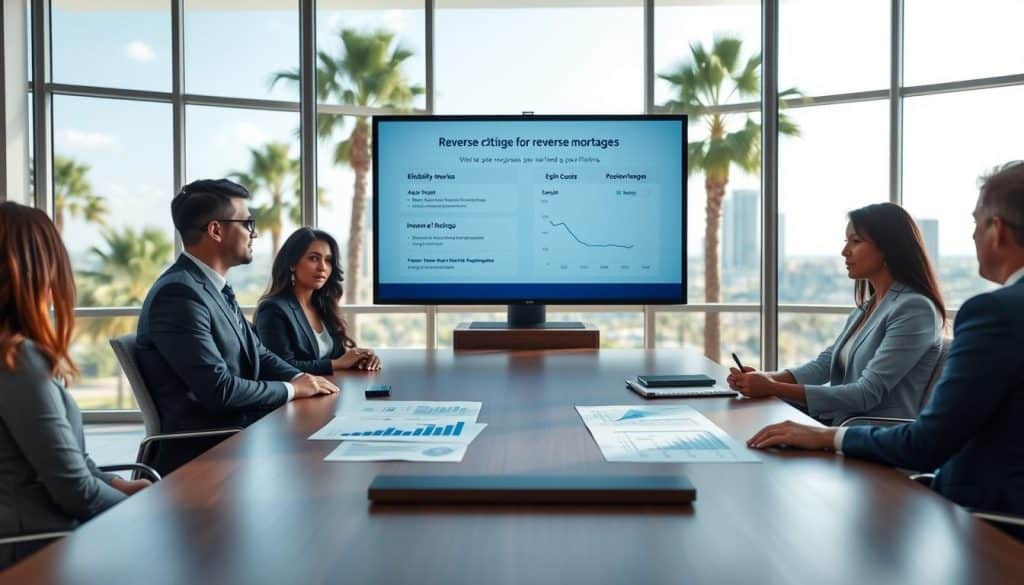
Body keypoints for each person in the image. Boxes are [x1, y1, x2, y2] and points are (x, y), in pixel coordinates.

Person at [747, 162, 1024, 539]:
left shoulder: (986, 313)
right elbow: (827, 363)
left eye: (976, 221)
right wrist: (769, 380)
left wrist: (818, 430)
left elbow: (926, 441)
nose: (972, 234)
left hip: (981, 521)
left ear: (998, 230)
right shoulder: (867, 307)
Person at [136, 179, 338, 474]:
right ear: (216, 230)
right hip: (206, 456)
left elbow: (260, 354)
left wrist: (305, 378)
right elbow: (220, 390)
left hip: (238, 436)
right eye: (247, 223)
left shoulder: (211, 287)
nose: (254, 232)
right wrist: (292, 390)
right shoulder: (178, 295)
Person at [0, 202, 149, 568]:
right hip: (40, 550)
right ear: (39, 269)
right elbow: (76, 493)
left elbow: (69, 461)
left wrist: (118, 486)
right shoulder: (17, 360)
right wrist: (149, 506)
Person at [728, 203, 945, 424]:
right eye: (846, 242)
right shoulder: (867, 307)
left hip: (872, 436)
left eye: (856, 241)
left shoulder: (915, 309)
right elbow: (825, 366)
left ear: (888, 248)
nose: (845, 251)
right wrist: (765, 378)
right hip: (836, 424)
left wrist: (773, 388)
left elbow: (866, 394)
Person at [254, 228, 380, 374]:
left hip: (331, 389)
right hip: (299, 396)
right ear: (292, 264)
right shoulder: (272, 310)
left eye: (328, 260)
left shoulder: (322, 306)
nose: (322, 267)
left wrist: (362, 357)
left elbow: (336, 354)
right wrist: (336, 364)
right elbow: (280, 368)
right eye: (314, 258)